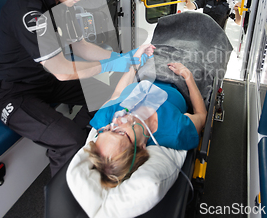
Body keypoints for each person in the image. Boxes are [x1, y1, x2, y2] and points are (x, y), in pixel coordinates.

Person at [0, 0, 147, 176]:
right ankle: (66, 196)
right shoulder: (28, 10)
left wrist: (122, 58)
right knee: (69, 140)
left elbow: (80, 47)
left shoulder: (63, 1)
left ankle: (88, 137)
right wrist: (111, 64)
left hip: (44, 82)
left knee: (111, 87)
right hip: (12, 92)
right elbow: (61, 71)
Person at [85, 44, 207, 188]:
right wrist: (187, 75)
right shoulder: (175, 130)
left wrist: (135, 64)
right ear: (142, 148)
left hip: (148, 66)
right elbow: (202, 115)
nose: (116, 121)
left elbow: (117, 94)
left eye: (106, 130)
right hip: (177, 76)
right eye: (120, 132)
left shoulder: (106, 118)